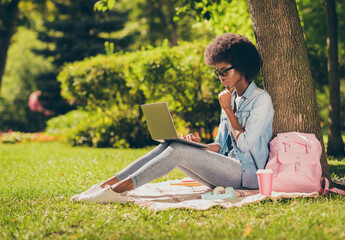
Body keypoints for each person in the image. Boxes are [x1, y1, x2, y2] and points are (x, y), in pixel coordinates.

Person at [72, 33, 274, 203]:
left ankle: (117, 191)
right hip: (224, 169)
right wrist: (198, 147)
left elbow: (245, 145)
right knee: (171, 145)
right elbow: (219, 146)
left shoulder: (261, 100)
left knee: (177, 151)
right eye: (217, 73)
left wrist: (228, 110)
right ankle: (105, 185)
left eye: (224, 71)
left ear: (242, 66)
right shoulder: (229, 98)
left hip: (247, 176)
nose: (221, 77)